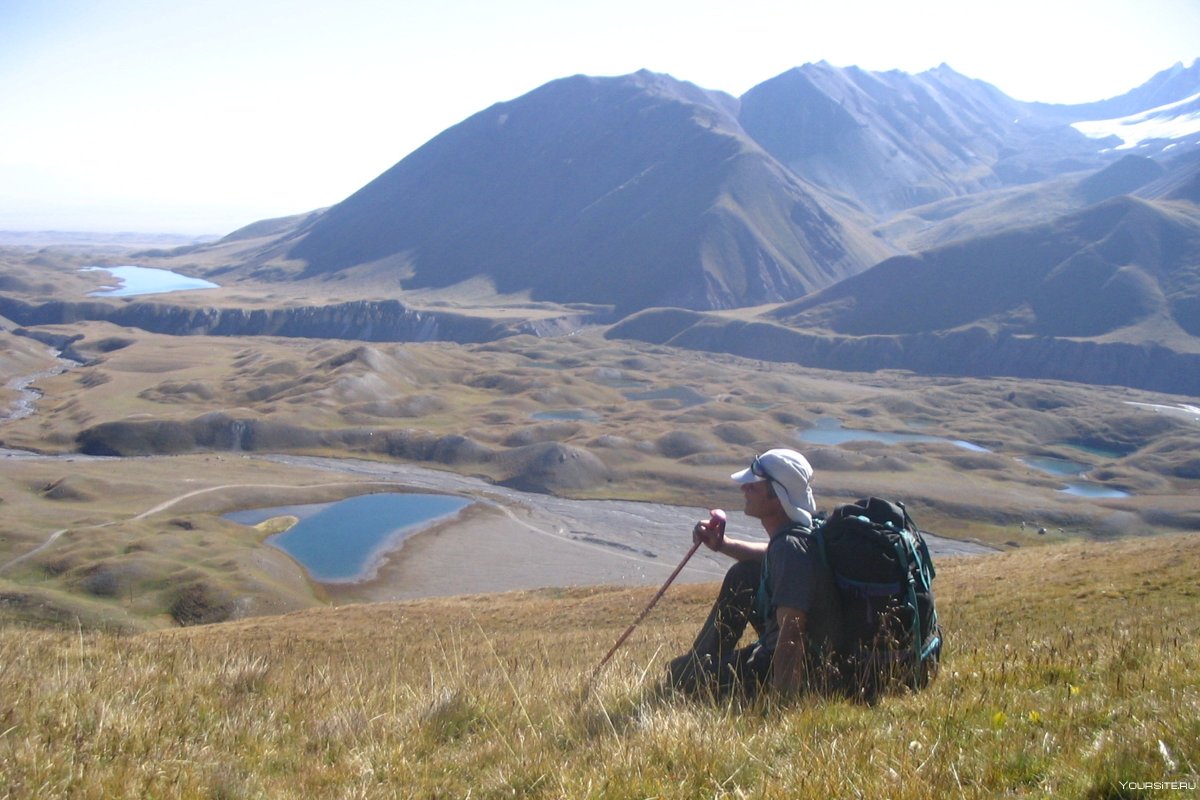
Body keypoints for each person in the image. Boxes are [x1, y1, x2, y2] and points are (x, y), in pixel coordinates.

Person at [667, 448, 844, 698]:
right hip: (814, 660)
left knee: (681, 677)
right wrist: (723, 544)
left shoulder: (789, 548)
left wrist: (780, 704)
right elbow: (771, 556)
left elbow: (792, 631)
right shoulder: (804, 534)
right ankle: (700, 662)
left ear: (777, 495)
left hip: (802, 672)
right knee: (745, 573)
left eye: (754, 485)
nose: (744, 489)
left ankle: (696, 669)